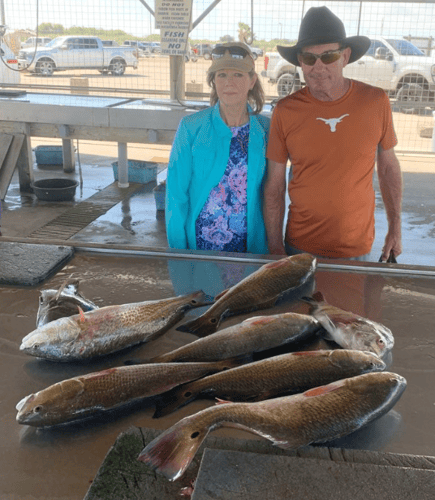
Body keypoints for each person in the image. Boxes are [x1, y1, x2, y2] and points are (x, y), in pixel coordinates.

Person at [264, 6, 403, 261]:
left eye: (328, 56)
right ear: (300, 62)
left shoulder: (376, 102)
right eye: (308, 58)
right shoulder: (285, 111)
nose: (318, 67)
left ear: (345, 56)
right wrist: (275, 249)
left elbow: (388, 168)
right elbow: (275, 185)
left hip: (357, 248)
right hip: (299, 249)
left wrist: (395, 227)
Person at [165, 42, 270, 254]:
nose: (228, 82)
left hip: (250, 251)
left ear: (252, 81)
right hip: (201, 249)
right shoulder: (191, 127)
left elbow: (273, 194)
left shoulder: (266, 130)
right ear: (213, 81)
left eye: (238, 75)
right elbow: (176, 195)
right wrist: (179, 254)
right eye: (221, 75)